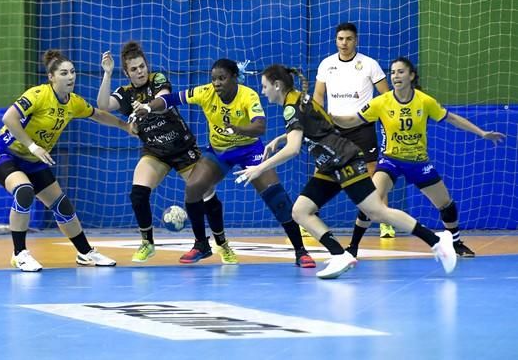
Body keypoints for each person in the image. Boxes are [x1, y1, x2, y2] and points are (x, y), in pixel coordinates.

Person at [234, 65, 458, 279]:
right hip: (329, 164)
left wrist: (260, 168)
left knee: (377, 211)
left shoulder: (292, 107)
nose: (262, 92)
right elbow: (318, 126)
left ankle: (437, 241)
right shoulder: (298, 100)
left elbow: (293, 150)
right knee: (300, 211)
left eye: (264, 86)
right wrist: (281, 138)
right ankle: (340, 255)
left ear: (277, 85)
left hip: (344, 160)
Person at [134, 59, 316, 268]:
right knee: (193, 188)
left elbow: (260, 128)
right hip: (220, 152)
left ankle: (300, 251)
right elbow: (172, 99)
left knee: (277, 198)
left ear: (234, 78)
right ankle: (201, 244)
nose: (217, 83)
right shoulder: (205, 92)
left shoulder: (248, 95)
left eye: (222, 78)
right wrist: (148, 107)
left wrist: (238, 129)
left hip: (250, 151)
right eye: (214, 79)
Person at [331, 57, 505, 258]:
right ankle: (353, 247)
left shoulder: (424, 101)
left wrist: (482, 133)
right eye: (393, 72)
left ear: (411, 76)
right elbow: (353, 120)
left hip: (418, 162)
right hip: (391, 161)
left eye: (400, 72)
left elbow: (453, 118)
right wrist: (333, 118)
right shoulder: (381, 102)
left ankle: (456, 243)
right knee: (371, 202)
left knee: (446, 204)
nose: (395, 76)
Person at [0, 49, 133, 271]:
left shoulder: (73, 103)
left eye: (72, 72)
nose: (71, 77)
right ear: (51, 77)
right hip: (4, 153)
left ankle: (85, 252)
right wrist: (33, 146)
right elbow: (9, 117)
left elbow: (98, 114)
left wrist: (125, 126)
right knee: (24, 190)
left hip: (33, 160)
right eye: (64, 73)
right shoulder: (38, 95)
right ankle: (19, 254)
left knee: (61, 205)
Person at [97, 41, 202, 262]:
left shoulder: (158, 79)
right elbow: (103, 105)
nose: (140, 71)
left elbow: (163, 99)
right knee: (138, 193)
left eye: (142, 66)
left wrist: (146, 107)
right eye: (134, 69)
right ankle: (147, 242)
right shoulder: (125, 93)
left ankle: (207, 243)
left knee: (201, 194)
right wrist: (107, 74)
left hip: (182, 147)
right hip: (155, 151)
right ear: (127, 73)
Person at [313, 22, 395, 239]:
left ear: (356, 40)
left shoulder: (369, 64)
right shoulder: (326, 64)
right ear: (335, 40)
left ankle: (385, 222)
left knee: (373, 172)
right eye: (340, 39)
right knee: (322, 170)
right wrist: (318, 122)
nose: (344, 43)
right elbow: (318, 96)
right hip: (334, 129)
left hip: (362, 127)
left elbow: (387, 97)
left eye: (348, 39)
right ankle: (309, 217)